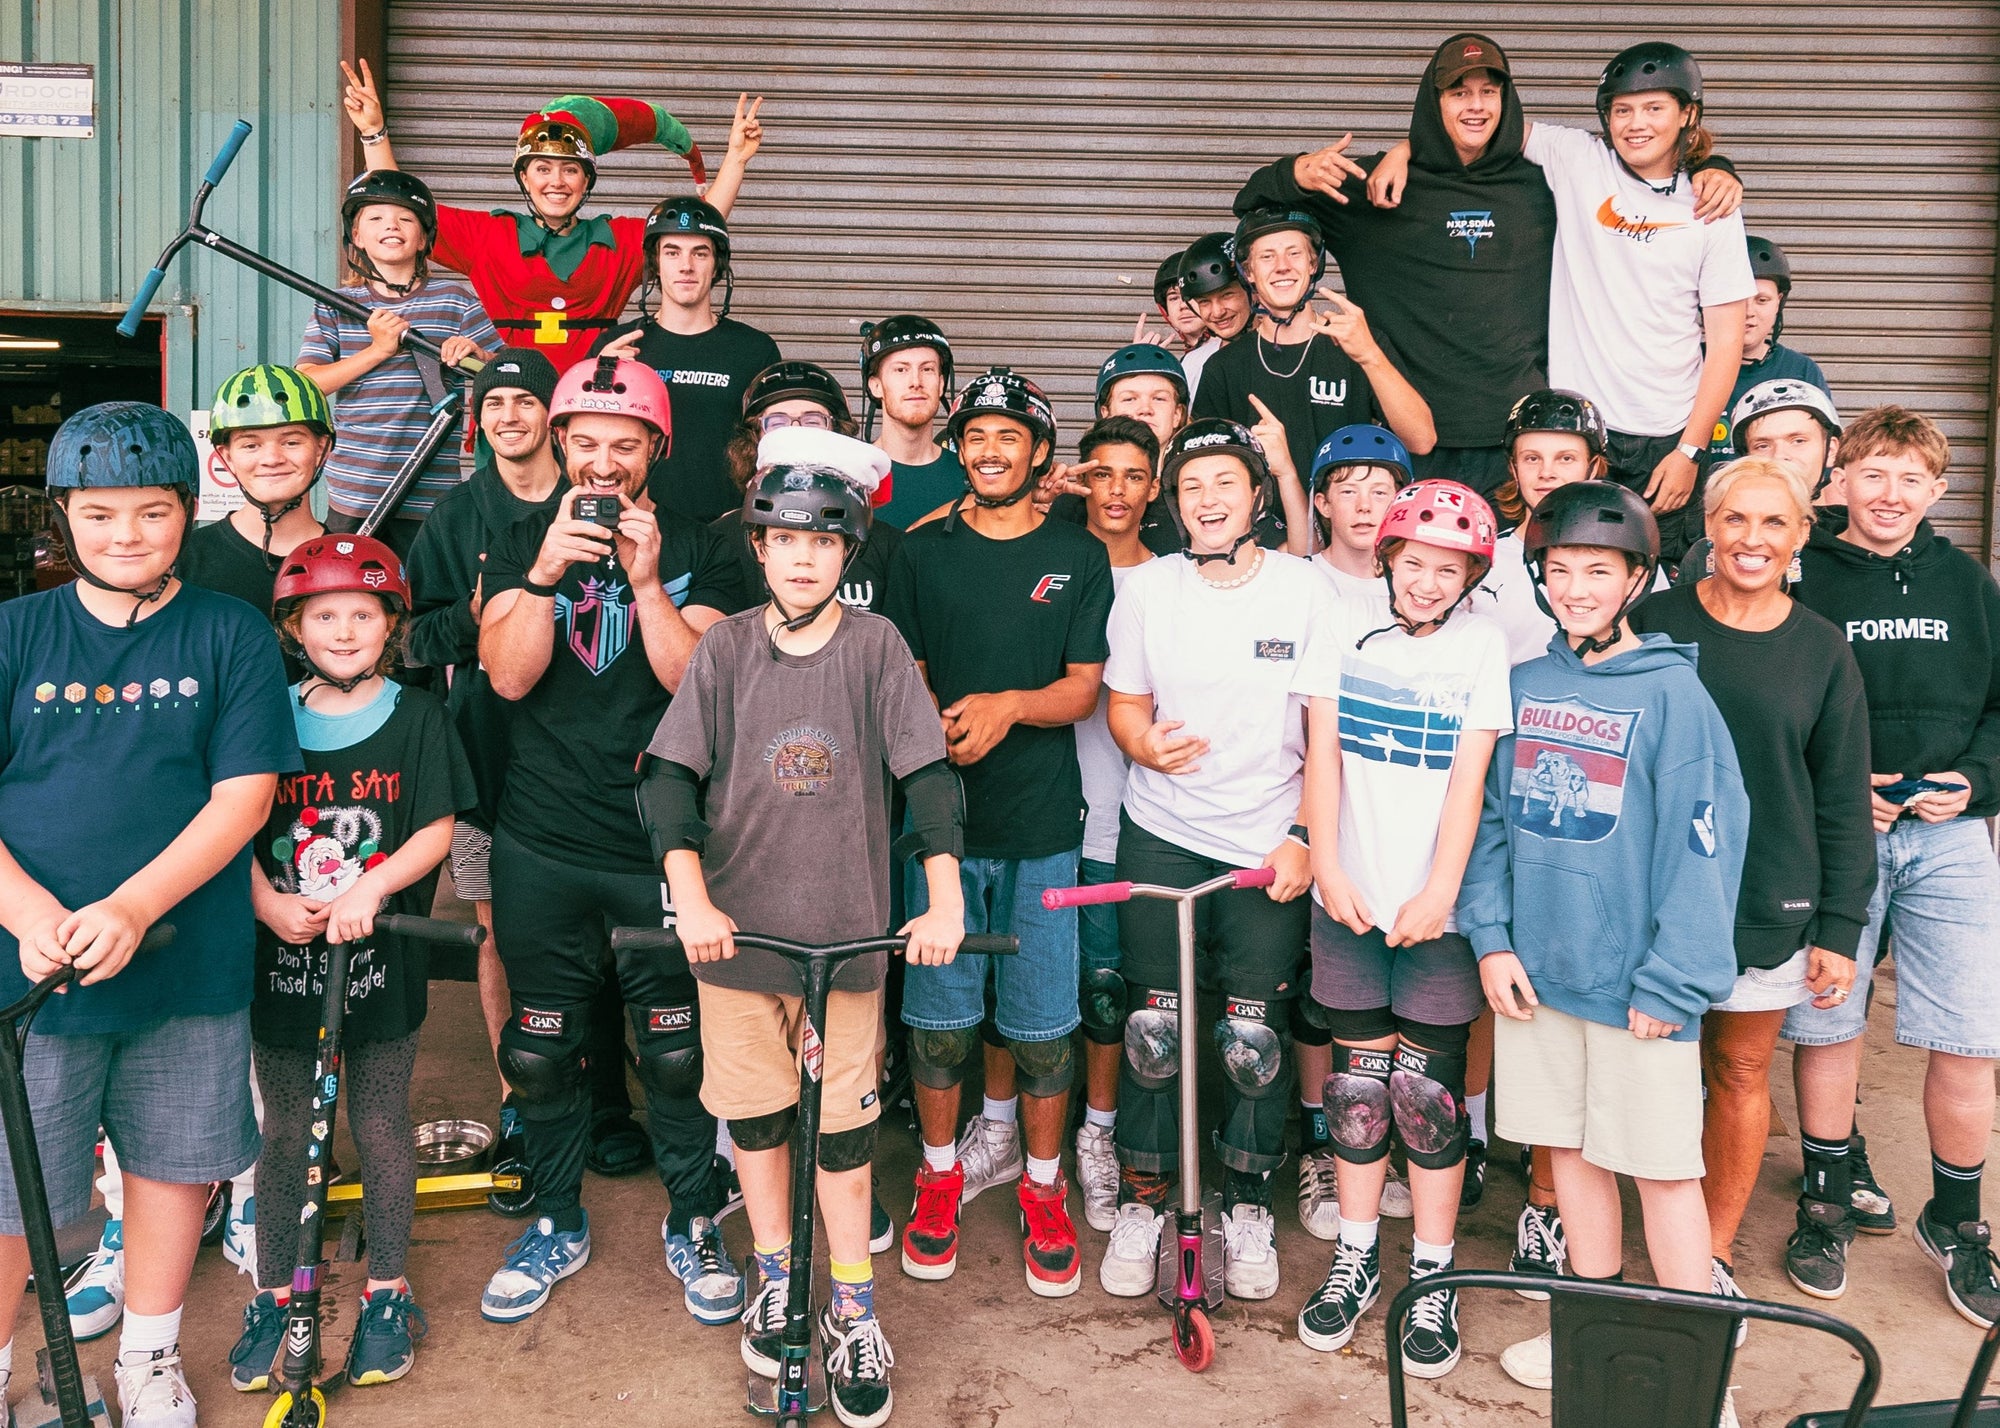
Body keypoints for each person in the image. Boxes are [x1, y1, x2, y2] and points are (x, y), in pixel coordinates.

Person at [643, 428, 966, 1428]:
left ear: (848, 553)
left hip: (849, 946)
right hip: (738, 948)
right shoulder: (725, 649)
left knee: (843, 1139)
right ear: (757, 545)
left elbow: (927, 781)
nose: (799, 557)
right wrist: (690, 896)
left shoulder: (874, 651)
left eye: (822, 543)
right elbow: (664, 782)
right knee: (760, 1123)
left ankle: (853, 1306)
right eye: (782, 538)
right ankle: (781, 1282)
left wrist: (943, 898)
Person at [0, 403, 298, 1427]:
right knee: (15, 1186)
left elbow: (243, 797)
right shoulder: (14, 633)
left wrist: (131, 906)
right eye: (99, 514)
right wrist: (32, 914)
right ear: (65, 519)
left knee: (174, 1163)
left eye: (152, 511)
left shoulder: (231, 632)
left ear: (188, 509)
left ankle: (149, 1355)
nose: (126, 534)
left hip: (185, 955)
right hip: (29, 977)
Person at [1457, 480, 1747, 1393]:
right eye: (1560, 569)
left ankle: (1696, 1365)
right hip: (1539, 978)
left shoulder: (1674, 696)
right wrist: (1491, 938)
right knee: (1570, 1156)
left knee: (1662, 1173)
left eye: (1598, 570)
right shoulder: (1526, 685)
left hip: (1638, 991)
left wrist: (1674, 982)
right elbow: (1493, 821)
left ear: (1636, 580)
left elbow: (1705, 846)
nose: (1577, 586)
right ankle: (1593, 1328)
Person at [474, 356, 747, 1325]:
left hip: (659, 844)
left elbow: (697, 683)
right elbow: (506, 678)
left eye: (622, 445)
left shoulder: (711, 552)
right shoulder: (511, 540)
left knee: (674, 1051)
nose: (600, 462)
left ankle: (693, 1217)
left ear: (655, 453)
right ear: (558, 444)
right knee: (542, 1049)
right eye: (583, 442)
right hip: (540, 838)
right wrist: (549, 573)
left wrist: (642, 577)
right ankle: (554, 1219)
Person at [1238, 33, 1742, 503]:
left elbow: (1653, 173)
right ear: (1433, 104)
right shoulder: (1378, 186)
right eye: (1458, 93)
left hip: (1525, 443)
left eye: (1488, 92)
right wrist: (1300, 169)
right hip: (1415, 435)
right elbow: (1252, 199)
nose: (1475, 105)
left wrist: (1715, 167)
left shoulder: (1548, 181)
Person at [1627, 457, 1873, 1327]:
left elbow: (1841, 798)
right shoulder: (1650, 624)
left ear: (1802, 536)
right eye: (1737, 520)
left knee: (1736, 1070)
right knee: (1645, 1072)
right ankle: (1617, 1240)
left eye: (1775, 524)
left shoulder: (1821, 650)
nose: (1754, 540)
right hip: (1649, 896)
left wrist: (1840, 926)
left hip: (1766, 897)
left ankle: (1713, 1253)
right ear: (1709, 529)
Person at [883, 368, 1112, 1298]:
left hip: (1042, 824)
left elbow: (1084, 687)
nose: (988, 450)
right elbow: (906, 674)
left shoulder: (1078, 554)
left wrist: (1014, 705)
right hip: (941, 829)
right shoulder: (921, 553)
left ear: (1039, 453)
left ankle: (1044, 1187)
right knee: (938, 1027)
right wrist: (937, 718)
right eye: (975, 434)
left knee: (1046, 1028)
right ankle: (939, 1178)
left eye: (1008, 436)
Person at [228, 535, 474, 1394]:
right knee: (286, 1128)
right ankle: (274, 1297)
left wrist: (373, 885)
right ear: (295, 627)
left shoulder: (417, 719)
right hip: (284, 960)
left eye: (362, 615)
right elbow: (231, 822)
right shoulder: (262, 713)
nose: (343, 630)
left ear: (390, 626)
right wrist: (264, 900)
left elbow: (437, 828)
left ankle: (386, 1290)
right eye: (323, 615)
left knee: (378, 1119)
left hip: (380, 966)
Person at [1094, 418, 1328, 1304]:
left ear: (1259, 497)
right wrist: (1143, 746)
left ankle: (1247, 1200)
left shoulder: (1303, 592)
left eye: (1226, 483)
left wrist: (1305, 836)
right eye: (1192, 487)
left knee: (1250, 1037)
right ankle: (1147, 1199)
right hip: (1161, 830)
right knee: (1154, 1028)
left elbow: (1323, 736)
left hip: (1268, 841)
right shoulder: (1151, 588)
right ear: (1173, 502)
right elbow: (1125, 705)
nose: (1209, 500)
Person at [1781, 406, 2000, 1327]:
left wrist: (1979, 781)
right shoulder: (1805, 576)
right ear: (1841, 480)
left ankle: (1958, 1220)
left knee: (1968, 1037)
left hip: (1950, 835)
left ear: (1937, 491)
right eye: (1873, 473)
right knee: (1829, 1021)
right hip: (1843, 832)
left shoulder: (1970, 585)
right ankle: (1825, 1200)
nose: (1890, 494)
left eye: (1911, 478)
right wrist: (1835, 787)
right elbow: (1778, 696)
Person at [1294, 480, 1511, 1378]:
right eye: (1414, 562)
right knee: (1357, 1090)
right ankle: (1355, 1254)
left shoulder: (1483, 644)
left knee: (1427, 1101)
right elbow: (1323, 754)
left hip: (1436, 912)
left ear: (1472, 575)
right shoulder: (1339, 628)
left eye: (1448, 569)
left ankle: (1431, 1269)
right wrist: (1330, 866)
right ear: (1386, 558)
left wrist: (1442, 893)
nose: (1427, 582)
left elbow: (1470, 780)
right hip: (1349, 898)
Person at [402, 347, 565, 1216]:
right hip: (488, 758)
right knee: (501, 935)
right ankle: (522, 1101)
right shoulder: (459, 515)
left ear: (552, 415)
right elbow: (410, 636)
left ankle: (595, 1098)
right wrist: (469, 628)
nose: (509, 416)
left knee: (592, 939)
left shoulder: (597, 500)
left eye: (523, 401)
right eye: (493, 403)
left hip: (592, 763)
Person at [340, 62, 764, 372]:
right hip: (511, 405)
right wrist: (373, 133)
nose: (556, 182)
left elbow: (698, 226)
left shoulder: (616, 240)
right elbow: (399, 204)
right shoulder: (489, 235)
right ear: (524, 177)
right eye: (542, 169)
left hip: (595, 406)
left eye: (570, 170)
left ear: (586, 180)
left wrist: (736, 160)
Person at [294, 169, 498, 551]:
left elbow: (503, 374)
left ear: (424, 239)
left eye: (406, 218)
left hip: (431, 491)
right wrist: (378, 350)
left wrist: (478, 356)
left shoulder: (456, 300)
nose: (392, 225)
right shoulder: (336, 305)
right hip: (356, 492)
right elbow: (307, 383)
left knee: (422, 597)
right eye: (375, 218)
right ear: (356, 237)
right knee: (352, 594)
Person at [1191, 206, 1436, 508]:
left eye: (1294, 253)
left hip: (1346, 537)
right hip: (1266, 542)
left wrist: (1371, 356)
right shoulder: (1223, 367)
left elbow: (1421, 440)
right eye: (1267, 256)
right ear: (1249, 272)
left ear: (1312, 264)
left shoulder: (1357, 343)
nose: (1282, 266)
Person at [1069, 417, 1159, 1236]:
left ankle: (1100, 1135)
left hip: (1129, 824)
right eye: (1100, 474)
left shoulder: (1170, 582)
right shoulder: (1050, 559)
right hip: (1050, 812)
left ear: (1154, 486)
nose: (1117, 491)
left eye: (1134, 475)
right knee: (1042, 995)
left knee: (1112, 991)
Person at [592, 198, 785, 522]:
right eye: (672, 252)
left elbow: (774, 450)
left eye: (700, 253)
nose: (686, 265)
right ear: (655, 263)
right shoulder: (615, 347)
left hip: (727, 529)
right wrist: (599, 378)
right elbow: (581, 441)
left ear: (717, 265)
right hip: (634, 524)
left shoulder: (755, 349)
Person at [714, 362, 901, 614]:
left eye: (812, 420)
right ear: (754, 436)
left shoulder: (886, 544)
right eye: (777, 422)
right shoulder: (722, 539)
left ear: (837, 430)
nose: (796, 431)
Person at [181, 364, 333, 613]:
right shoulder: (184, 561)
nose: (272, 458)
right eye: (251, 445)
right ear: (226, 456)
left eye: (291, 442)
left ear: (321, 449)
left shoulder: (354, 561)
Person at [1680, 378, 1843, 582]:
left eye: (1798, 441)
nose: (1780, 456)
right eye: (1762, 446)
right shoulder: (1712, 551)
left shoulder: (1855, 540)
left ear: (1831, 450)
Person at [1708, 235, 1831, 466]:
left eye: (1762, 300)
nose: (1748, 312)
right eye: (1736, 300)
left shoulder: (1800, 371)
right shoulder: (1687, 362)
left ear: (1778, 302)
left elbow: (1822, 459)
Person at [861, 316, 962, 528]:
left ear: (941, 384)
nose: (916, 382)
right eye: (901, 370)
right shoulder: (852, 472)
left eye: (927, 369)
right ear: (875, 386)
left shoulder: (970, 475)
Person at [1306, 423, 1413, 600]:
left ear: (1399, 503)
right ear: (1324, 504)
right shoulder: (1297, 579)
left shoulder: (1419, 589)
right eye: (1348, 492)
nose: (1364, 506)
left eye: (1379, 493)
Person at [1176, 231, 1253, 352]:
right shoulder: (1194, 363)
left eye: (1227, 295)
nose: (1217, 313)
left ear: (1253, 290)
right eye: (1204, 301)